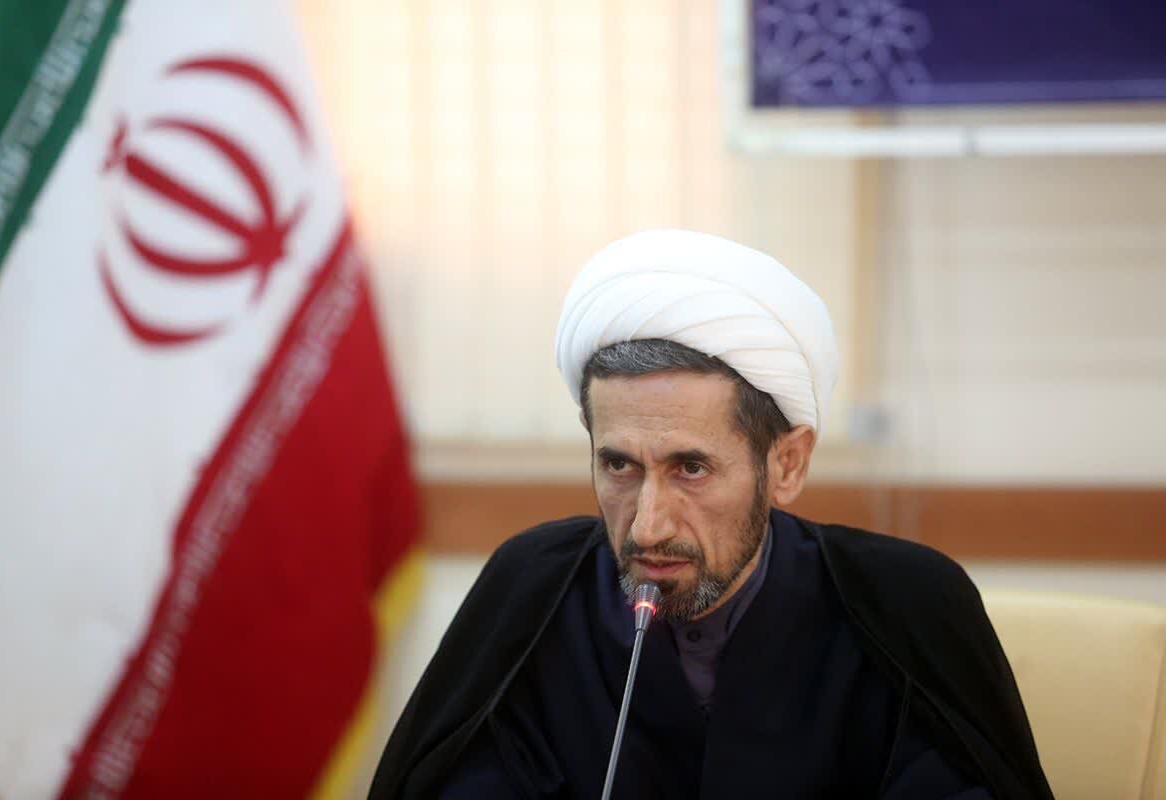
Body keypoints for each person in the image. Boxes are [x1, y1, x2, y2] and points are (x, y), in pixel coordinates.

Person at [370, 230, 1054, 799]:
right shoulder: (532, 592)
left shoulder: (904, 605)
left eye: (690, 469)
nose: (647, 527)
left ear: (786, 464)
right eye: (619, 466)